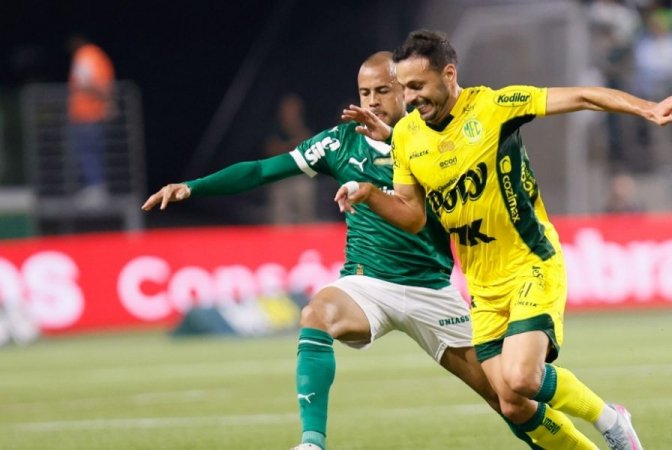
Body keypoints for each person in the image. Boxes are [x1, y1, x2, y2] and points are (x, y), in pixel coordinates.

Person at [337, 29, 672, 450]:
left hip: (530, 263)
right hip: (482, 285)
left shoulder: (494, 107)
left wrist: (647, 108)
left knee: (523, 377)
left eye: (418, 85)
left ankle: (611, 420)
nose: (411, 97)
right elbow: (413, 215)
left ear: (449, 74)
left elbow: (581, 96)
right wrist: (369, 194)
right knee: (512, 403)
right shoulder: (406, 136)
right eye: (405, 88)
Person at [142, 52, 508, 450]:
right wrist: (193, 187)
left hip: (431, 289)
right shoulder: (338, 142)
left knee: (507, 398)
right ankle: (312, 443)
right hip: (367, 285)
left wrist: (396, 139)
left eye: (382, 90)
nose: (372, 101)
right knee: (315, 314)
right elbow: (263, 170)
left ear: (405, 90)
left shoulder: (432, 137)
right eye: (364, 92)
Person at [66, 34, 115, 209]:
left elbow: (85, 82)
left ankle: (95, 190)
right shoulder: (99, 55)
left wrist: (103, 98)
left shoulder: (84, 55)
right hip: (93, 113)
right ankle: (95, 188)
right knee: (94, 151)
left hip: (85, 115)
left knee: (88, 153)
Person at [263, 93, 315, 224]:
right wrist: (290, 147)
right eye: (288, 109)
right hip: (280, 177)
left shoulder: (302, 126)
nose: (291, 112)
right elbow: (271, 150)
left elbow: (309, 149)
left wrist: (295, 129)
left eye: (294, 109)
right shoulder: (274, 128)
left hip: (300, 176)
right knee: (280, 217)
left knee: (304, 190)